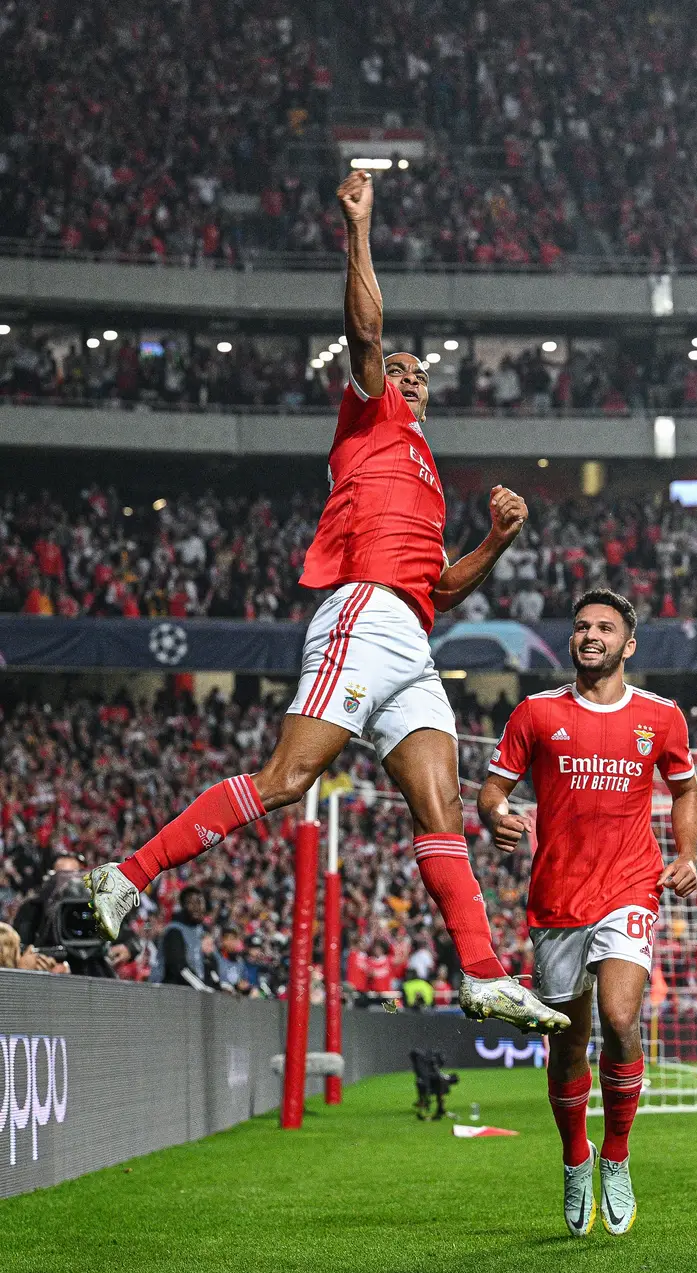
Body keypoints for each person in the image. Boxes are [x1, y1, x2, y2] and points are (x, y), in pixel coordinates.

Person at [83, 169, 566, 1037]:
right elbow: (366, 329)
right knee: (288, 779)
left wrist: (495, 540)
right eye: (400, 370)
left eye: (420, 377)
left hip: (411, 638)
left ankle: (486, 974)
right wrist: (360, 230)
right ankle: (126, 875)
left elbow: (442, 589)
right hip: (360, 615)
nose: (408, 378)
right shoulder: (366, 420)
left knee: (443, 808)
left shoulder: (426, 475)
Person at [478, 588, 697, 1237]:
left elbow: (686, 790)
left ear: (628, 644)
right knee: (568, 1039)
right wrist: (497, 815)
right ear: (572, 640)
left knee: (620, 1016)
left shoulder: (660, 716)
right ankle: (576, 1157)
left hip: (631, 886)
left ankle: (618, 1155)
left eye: (605, 627)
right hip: (557, 897)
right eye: (582, 627)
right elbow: (494, 789)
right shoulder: (536, 713)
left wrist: (685, 853)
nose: (591, 635)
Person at [149, 887, 213, 990]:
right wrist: (202, 988)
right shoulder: (174, 931)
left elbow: (208, 966)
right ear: (183, 906)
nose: (197, 907)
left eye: (200, 902)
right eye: (191, 903)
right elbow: (178, 967)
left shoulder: (200, 933)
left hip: (189, 992)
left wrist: (219, 987)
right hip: (166, 992)